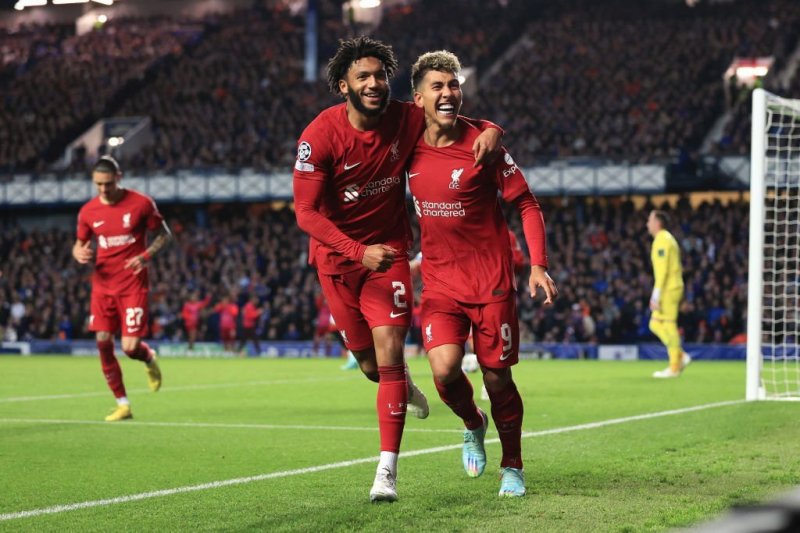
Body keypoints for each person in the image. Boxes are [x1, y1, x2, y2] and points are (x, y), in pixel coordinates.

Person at [293, 36, 503, 503]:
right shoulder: (320, 136)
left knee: (387, 359)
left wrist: (493, 128)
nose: (373, 83)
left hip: (387, 258)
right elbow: (305, 213)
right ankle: (404, 385)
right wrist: (356, 251)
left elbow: (453, 117)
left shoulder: (405, 117)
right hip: (338, 261)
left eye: (380, 75)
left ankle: (386, 472)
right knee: (371, 367)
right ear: (343, 85)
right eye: (363, 77)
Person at [407, 50, 558, 497]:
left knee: (497, 377)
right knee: (444, 369)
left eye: (454, 85)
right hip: (440, 283)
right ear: (418, 98)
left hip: (491, 283)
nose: (448, 93)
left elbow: (526, 202)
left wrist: (538, 265)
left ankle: (513, 465)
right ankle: (473, 422)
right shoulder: (405, 143)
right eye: (437, 86)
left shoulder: (484, 146)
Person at [72, 155, 172, 422]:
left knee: (129, 347)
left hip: (132, 285)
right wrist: (78, 253)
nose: (103, 189)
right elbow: (79, 244)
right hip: (102, 286)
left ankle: (148, 357)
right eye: (98, 184)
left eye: (107, 183)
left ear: (118, 178)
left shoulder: (141, 203)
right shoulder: (88, 212)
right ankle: (123, 404)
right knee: (103, 342)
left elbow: (164, 234)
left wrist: (146, 256)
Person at [647, 210, 691, 378]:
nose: (647, 224)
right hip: (670, 287)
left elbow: (662, 270)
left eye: (650, 220)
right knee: (655, 324)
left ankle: (674, 367)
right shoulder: (666, 239)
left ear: (658, 223)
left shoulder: (662, 240)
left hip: (668, 288)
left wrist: (656, 294)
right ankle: (679, 355)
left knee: (669, 324)